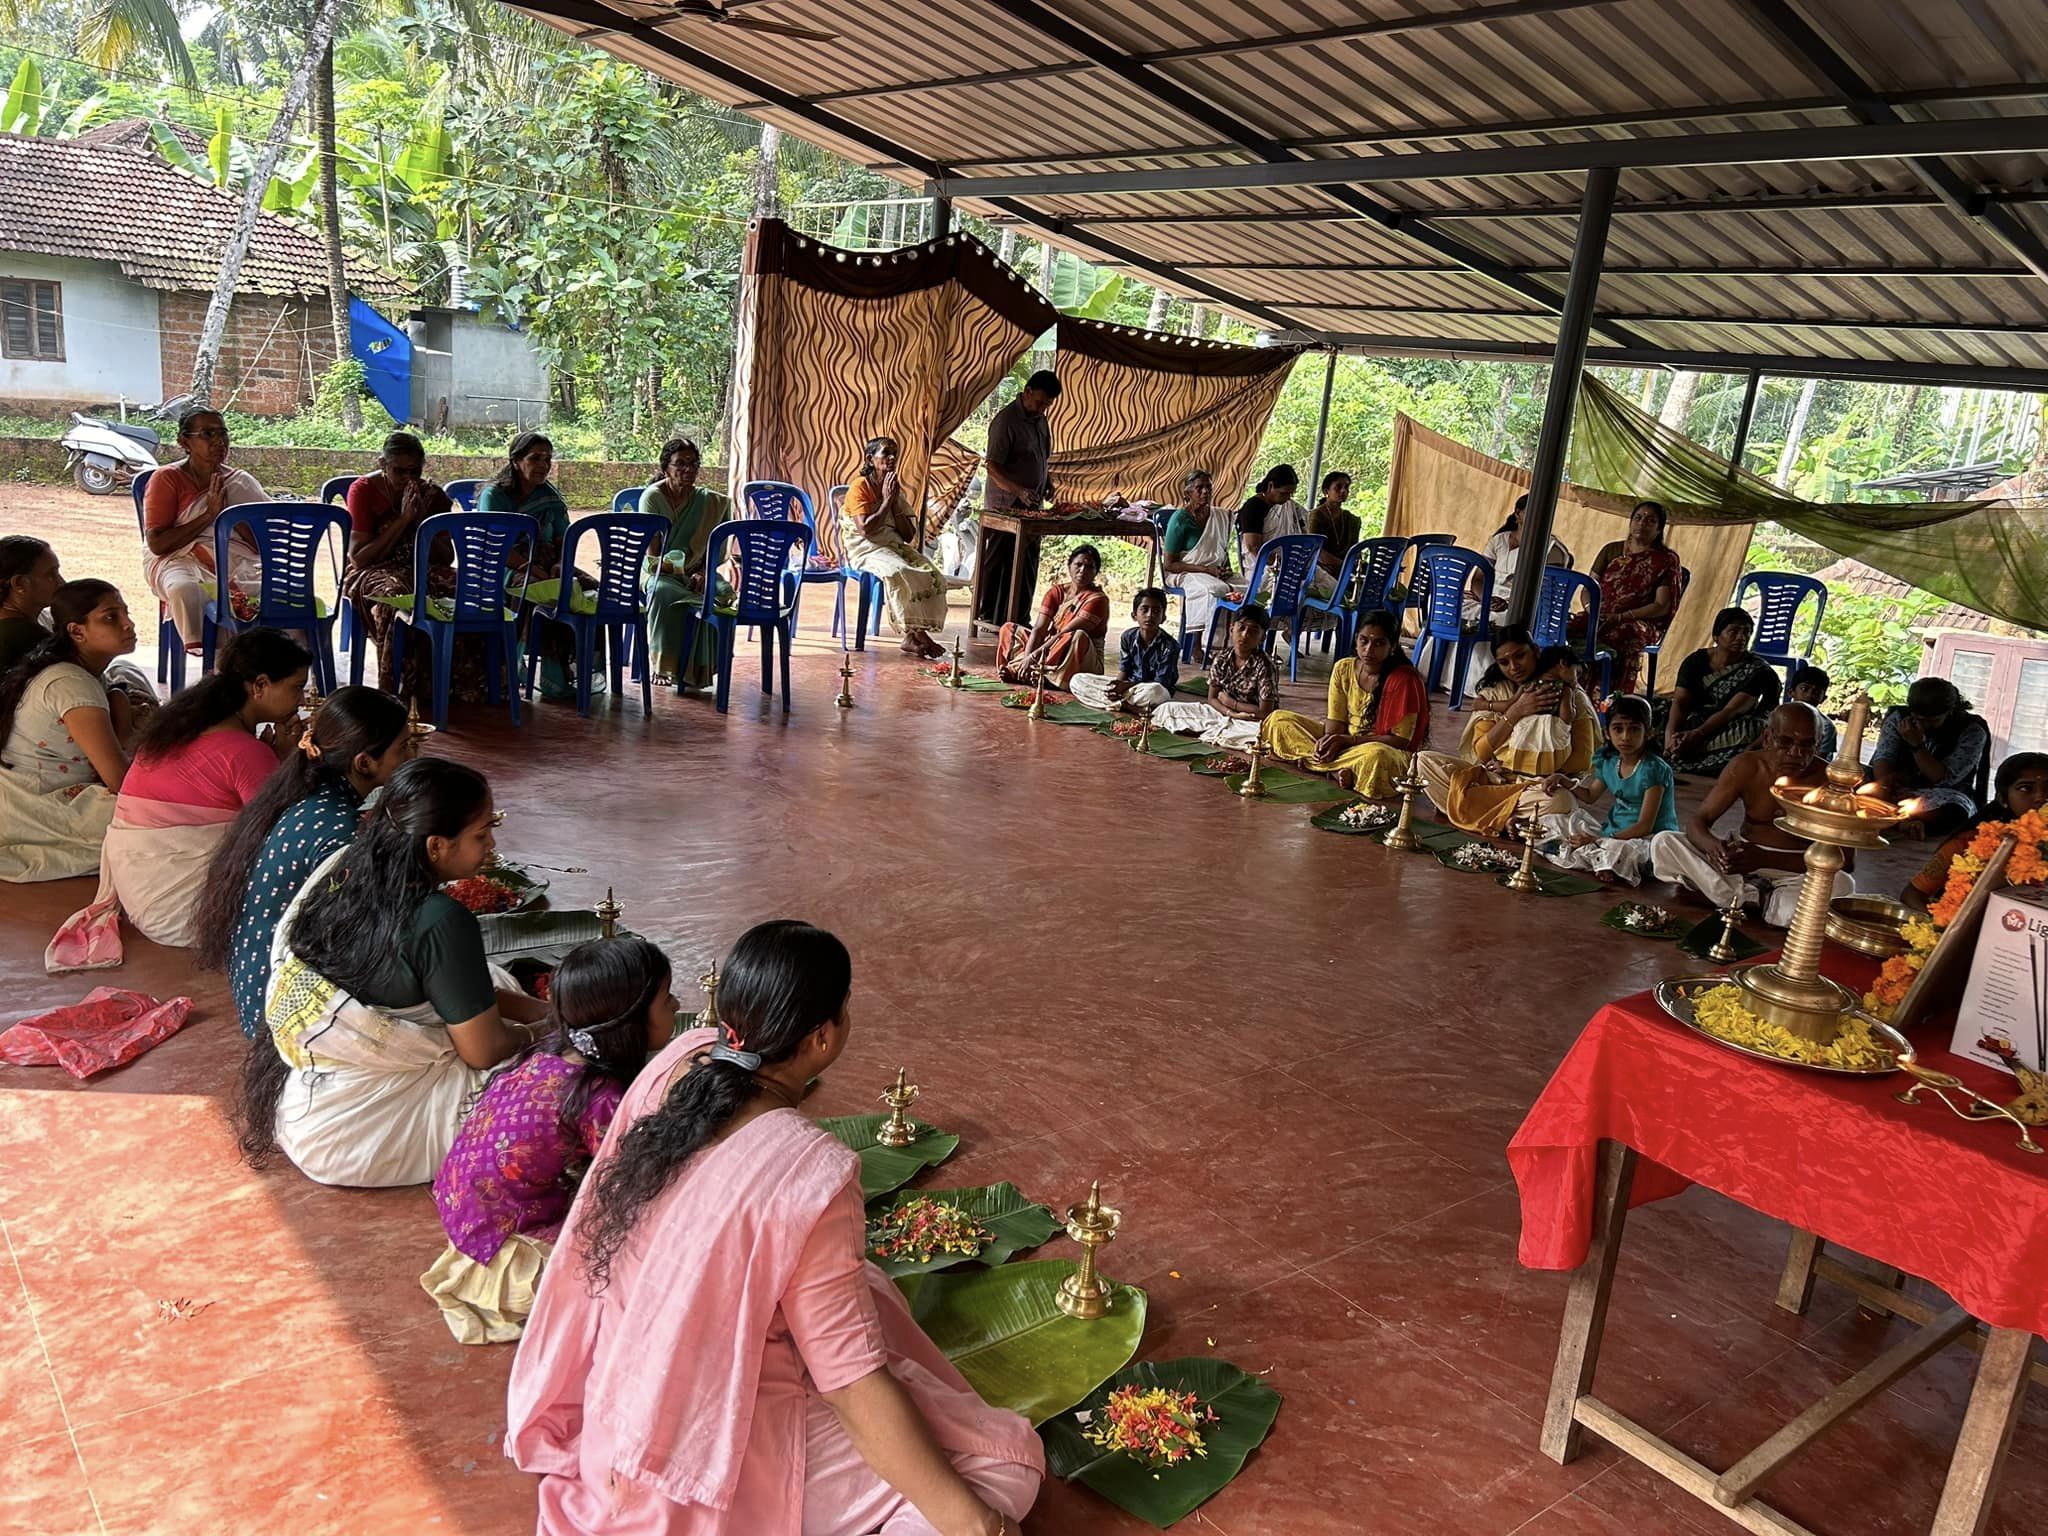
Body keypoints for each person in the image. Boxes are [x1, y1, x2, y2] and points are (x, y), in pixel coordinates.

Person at [506, 920, 1044, 1536]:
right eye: (844, 1011)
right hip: (708, 1457)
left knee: (865, 1285)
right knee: (1005, 1464)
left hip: (618, 1408)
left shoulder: (677, 1061)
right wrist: (977, 1525)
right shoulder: (812, 1171)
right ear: (822, 1037)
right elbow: (852, 1385)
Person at [238, 757, 551, 1187]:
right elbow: (483, 1051)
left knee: (494, 982)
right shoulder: (441, 919)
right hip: (373, 1138)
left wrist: (533, 1009)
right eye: (481, 834)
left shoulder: (348, 874)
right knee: (560, 1080)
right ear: (436, 846)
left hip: (309, 1119)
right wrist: (544, 1031)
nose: (492, 845)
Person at [423, 935, 675, 1346]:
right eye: (666, 1001)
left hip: (471, 1230)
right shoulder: (598, 1097)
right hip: (511, 1256)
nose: (677, 1006)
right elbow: (638, 1181)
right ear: (630, 1022)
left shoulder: (546, 1056)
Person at [49, 628, 310, 969]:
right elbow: (286, 833)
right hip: (186, 914)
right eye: (295, 688)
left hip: (144, 897)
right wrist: (289, 762)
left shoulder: (187, 724)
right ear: (259, 685)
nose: (301, 700)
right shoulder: (245, 751)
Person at [192, 686, 415, 1038]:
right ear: (364, 762)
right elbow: (353, 934)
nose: (411, 757)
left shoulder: (305, 791)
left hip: (258, 989)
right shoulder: (337, 829)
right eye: (403, 748)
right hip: (284, 1017)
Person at [1651, 702, 1851, 926]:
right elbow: (1699, 822)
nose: (1796, 753)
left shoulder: (1832, 783)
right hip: (1740, 862)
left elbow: (1846, 860)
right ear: (1767, 738)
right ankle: (1756, 901)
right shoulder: (1747, 766)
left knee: (1842, 883)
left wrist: (1765, 859)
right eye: (1785, 743)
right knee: (1664, 842)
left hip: (1796, 870)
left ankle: (1737, 899)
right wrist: (1716, 849)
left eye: (1806, 746)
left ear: (1818, 744)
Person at [342, 431, 492, 707]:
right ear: (382, 464)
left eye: (415, 471)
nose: (408, 479)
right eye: (399, 471)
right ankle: (394, 690)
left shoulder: (432, 495)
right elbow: (359, 559)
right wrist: (403, 520)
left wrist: (423, 520)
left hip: (423, 568)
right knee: (394, 597)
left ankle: (458, 683)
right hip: (373, 571)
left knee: (470, 589)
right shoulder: (363, 490)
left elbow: (446, 557)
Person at [0, 581, 136, 882]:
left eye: (126, 613)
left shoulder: (81, 673)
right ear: (77, 632)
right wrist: (125, 723)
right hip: (33, 805)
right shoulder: (72, 685)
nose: (129, 624)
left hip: (22, 796)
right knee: (161, 818)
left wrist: (119, 703)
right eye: (111, 617)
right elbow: (121, 781)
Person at [1415, 635, 1597, 836]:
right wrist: (1516, 712)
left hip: (1534, 786)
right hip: (1495, 778)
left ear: (1535, 652)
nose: (1514, 667)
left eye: (1520, 656)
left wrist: (1536, 771)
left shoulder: (1572, 694)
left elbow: (1581, 760)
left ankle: (1474, 811)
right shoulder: (1498, 691)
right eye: (1504, 662)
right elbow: (1482, 752)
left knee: (1562, 801)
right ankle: (1512, 821)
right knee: (1424, 761)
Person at [0, 537, 157, 741]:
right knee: (129, 680)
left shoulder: (35, 618)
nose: (61, 582)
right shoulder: (26, 637)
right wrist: (122, 707)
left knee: (123, 673)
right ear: (20, 583)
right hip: (36, 734)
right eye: (51, 575)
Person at [1259, 608, 1429, 794]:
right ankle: (1333, 769)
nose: (1368, 649)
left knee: (1377, 758)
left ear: (1393, 647)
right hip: (1344, 741)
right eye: (1364, 641)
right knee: (1278, 720)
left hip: (1379, 748)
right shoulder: (1343, 668)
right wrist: (1327, 744)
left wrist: (1348, 741)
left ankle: (1314, 763)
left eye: (1379, 643)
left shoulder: (1404, 680)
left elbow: (1401, 741)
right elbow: (1335, 726)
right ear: (1356, 639)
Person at [142, 406, 267, 652]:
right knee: (183, 590)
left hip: (236, 560)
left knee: (278, 593)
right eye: (208, 434)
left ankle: (254, 661)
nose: (219, 441)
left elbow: (264, 543)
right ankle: (217, 654)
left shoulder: (240, 482)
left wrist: (231, 514)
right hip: (180, 559)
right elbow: (158, 545)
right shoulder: (167, 478)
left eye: (223, 433)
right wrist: (209, 514)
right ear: (184, 441)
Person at [481, 432, 591, 701]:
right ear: (517, 461)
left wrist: (558, 565)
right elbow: (494, 545)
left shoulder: (549, 496)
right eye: (536, 458)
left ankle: (562, 676)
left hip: (546, 564)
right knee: (534, 591)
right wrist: (529, 567)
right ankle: (510, 671)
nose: (544, 465)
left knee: (586, 591)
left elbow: (564, 539)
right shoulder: (495, 495)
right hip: (504, 567)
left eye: (548, 459)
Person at [1536, 694, 1679, 884]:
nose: (1625, 737)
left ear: (1649, 733)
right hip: (1613, 832)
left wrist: (1598, 839)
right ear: (1607, 733)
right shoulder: (1609, 761)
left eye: (1634, 730)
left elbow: (1645, 826)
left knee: (1623, 851)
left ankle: (1603, 859)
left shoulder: (1653, 769)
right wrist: (1563, 780)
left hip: (1648, 838)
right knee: (1552, 821)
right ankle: (1602, 859)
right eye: (1618, 729)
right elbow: (1590, 796)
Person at [639, 437, 732, 689]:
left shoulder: (712, 503)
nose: (688, 470)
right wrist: (682, 574)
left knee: (721, 592)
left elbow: (717, 551)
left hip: (695, 571)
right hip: (658, 571)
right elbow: (653, 555)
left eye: (693, 464)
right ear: (665, 467)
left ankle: (695, 669)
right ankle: (663, 665)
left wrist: (702, 572)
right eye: (680, 464)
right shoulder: (653, 498)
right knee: (662, 591)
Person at [843, 436, 948, 659]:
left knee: (933, 573)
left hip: (892, 546)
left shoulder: (893, 488)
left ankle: (912, 637)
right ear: (870, 459)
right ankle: (917, 635)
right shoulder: (860, 486)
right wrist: (886, 501)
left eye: (895, 454)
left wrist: (894, 501)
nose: (891, 458)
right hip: (867, 549)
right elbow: (865, 530)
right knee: (900, 571)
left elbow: (908, 535)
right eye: (886, 454)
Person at [1903, 753, 2048, 911]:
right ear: (2003, 799)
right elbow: (1913, 895)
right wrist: (1948, 931)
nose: (2041, 797)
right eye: (2025, 788)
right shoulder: (1969, 843)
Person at [976, 370, 1059, 626]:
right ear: (1027, 392)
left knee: (1027, 562)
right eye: (1040, 401)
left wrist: (1047, 481)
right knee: (999, 561)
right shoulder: (1006, 422)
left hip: (1032, 505)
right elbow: (992, 466)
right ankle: (987, 614)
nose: (1043, 408)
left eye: (1047, 404)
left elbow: (1041, 458)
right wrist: (1018, 490)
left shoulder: (1040, 420)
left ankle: (1017, 617)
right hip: (1005, 506)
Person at [1660, 606, 1781, 776]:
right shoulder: (1696, 661)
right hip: (1693, 719)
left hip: (1728, 724)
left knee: (1751, 731)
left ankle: (1693, 758)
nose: (1741, 637)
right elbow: (1680, 701)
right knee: (1653, 713)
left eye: (1746, 632)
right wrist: (1670, 738)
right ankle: (1673, 751)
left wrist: (1697, 735)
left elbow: (1730, 711)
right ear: (1716, 636)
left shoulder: (1757, 671)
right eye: (1734, 631)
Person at [1581, 500, 1682, 698]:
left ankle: (1612, 699)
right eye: (1638, 518)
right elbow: (1588, 588)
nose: (1642, 523)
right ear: (1631, 522)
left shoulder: (1665, 560)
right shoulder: (1611, 550)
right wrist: (1589, 608)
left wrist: (1621, 617)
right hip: (1601, 614)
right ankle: (1576, 693)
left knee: (1624, 635)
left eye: (1650, 520)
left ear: (1659, 529)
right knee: (1572, 630)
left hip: (1640, 621)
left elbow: (1661, 606)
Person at [1871, 677, 1991, 836]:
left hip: (1942, 795)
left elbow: (1941, 778)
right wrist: (1885, 786)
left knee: (1957, 811)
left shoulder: (1972, 730)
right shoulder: (1899, 718)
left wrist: (1917, 746)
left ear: (1950, 711)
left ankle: (1913, 825)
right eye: (1918, 719)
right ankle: (1893, 820)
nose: (1923, 725)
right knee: (1851, 780)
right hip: (1895, 788)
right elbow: (1884, 756)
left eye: (1932, 720)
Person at [1148, 605, 1277, 752]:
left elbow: (1264, 712)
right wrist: (1231, 713)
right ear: (1231, 629)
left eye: (1253, 631)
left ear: (1262, 638)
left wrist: (1232, 703)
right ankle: (1217, 731)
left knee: (1260, 736)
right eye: (1241, 628)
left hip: (1251, 721)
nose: (1245, 634)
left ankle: (1218, 733)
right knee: (1167, 708)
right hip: (1221, 713)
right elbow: (1212, 699)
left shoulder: (1265, 666)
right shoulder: (1221, 658)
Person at [995, 543, 1108, 687]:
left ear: (1096, 572)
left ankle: (1040, 675)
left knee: (1076, 636)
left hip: (1078, 656)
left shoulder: (1097, 599)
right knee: (1009, 628)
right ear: (1069, 566)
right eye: (1078, 564)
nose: (1082, 570)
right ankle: (1028, 670)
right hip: (1050, 647)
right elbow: (1039, 629)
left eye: (1090, 567)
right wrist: (1028, 658)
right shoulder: (1057, 592)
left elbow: (1065, 633)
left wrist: (1033, 657)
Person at [1160, 469, 1235, 664]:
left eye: (1208, 488)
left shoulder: (1219, 517)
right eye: (1199, 488)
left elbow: (1220, 553)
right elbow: (1170, 564)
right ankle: (1198, 645)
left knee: (1248, 588)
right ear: (1188, 493)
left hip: (1213, 571)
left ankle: (1229, 647)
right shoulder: (1180, 519)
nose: (1205, 492)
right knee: (1214, 590)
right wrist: (1207, 570)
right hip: (1184, 571)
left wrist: (1224, 569)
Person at [1069, 587, 1179, 712]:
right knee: (1077, 680)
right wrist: (1115, 687)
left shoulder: (1170, 646)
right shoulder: (1128, 637)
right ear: (1134, 615)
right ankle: (1127, 705)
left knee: (1155, 692)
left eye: (1156, 611)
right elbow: (1124, 669)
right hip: (1130, 689)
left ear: (1163, 617)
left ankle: (1121, 704)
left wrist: (1125, 686)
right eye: (1144, 610)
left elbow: (1161, 682)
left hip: (1149, 690)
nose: (1150, 615)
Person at [1235, 463, 1307, 567]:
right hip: (1262, 566)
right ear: (1270, 486)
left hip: (1291, 563)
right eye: (1284, 493)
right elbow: (1254, 547)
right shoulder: (1253, 507)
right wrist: (1280, 565)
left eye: (1290, 494)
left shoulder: (1290, 507)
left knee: (1327, 581)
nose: (1288, 498)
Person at [1306, 472, 1359, 583]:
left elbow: (1355, 549)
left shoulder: (1350, 519)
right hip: (1322, 569)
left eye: (1346, 487)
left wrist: (1354, 565)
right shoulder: (1316, 515)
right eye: (1338, 487)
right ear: (1326, 491)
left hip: (1347, 569)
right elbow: (1316, 551)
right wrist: (1344, 565)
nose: (1343, 491)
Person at [1788, 665, 1837, 760]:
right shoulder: (1779, 716)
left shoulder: (1826, 727)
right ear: (1791, 692)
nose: (1809, 695)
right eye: (1804, 689)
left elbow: (1817, 761)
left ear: (1823, 699)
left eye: (1817, 692)